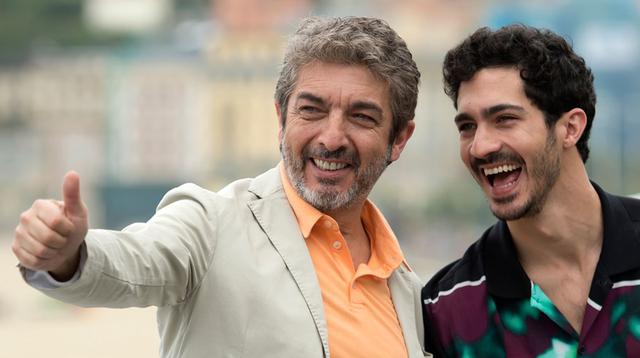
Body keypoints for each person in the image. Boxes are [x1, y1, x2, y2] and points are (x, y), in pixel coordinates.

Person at [13, 16, 429, 358]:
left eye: (361, 117)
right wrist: (68, 256)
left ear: (399, 139)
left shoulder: (407, 289)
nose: (332, 137)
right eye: (312, 110)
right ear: (281, 120)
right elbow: (134, 261)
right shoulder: (210, 225)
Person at [422, 24, 640, 357]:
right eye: (467, 127)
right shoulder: (446, 309)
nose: (479, 147)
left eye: (505, 119)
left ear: (570, 128)